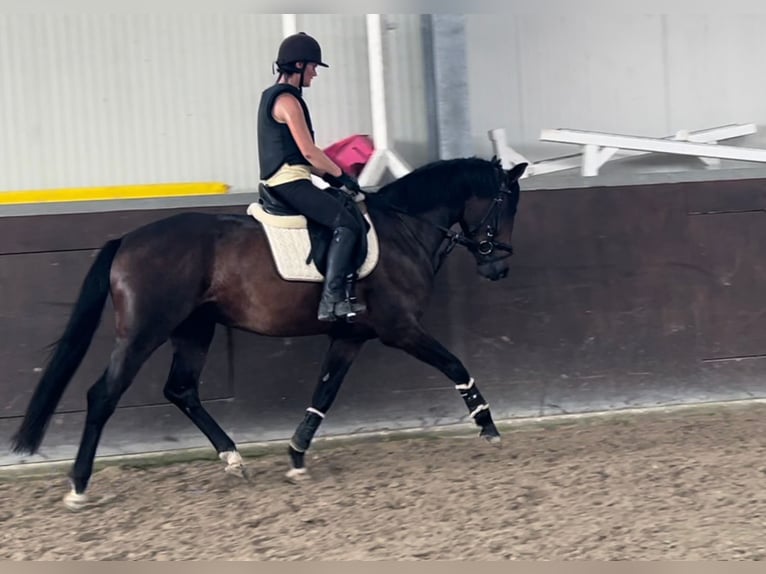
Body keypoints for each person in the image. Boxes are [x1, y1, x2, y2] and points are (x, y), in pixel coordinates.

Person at [257, 32, 367, 322]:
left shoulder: (276, 97)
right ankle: (331, 300)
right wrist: (342, 175)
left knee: (345, 209)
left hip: (292, 177)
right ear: (299, 65)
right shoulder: (287, 101)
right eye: (313, 67)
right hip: (288, 183)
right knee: (346, 224)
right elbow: (308, 152)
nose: (315, 73)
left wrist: (332, 179)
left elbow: (300, 156)